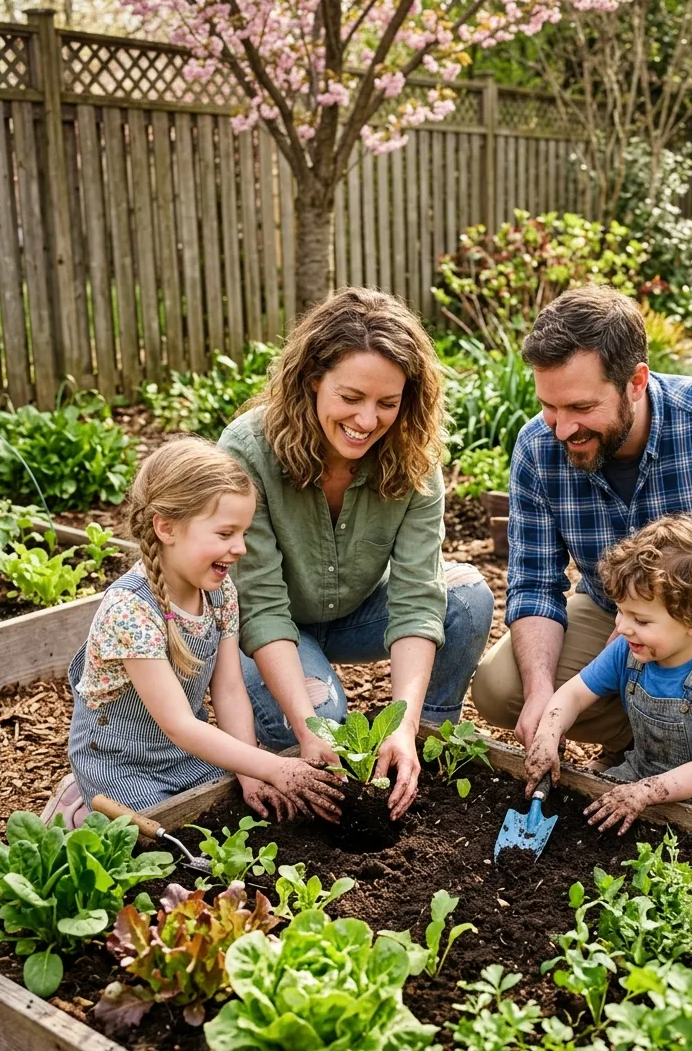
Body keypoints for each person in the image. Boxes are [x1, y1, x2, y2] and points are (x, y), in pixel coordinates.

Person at [471, 284, 692, 800]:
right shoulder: (538, 446)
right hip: (609, 615)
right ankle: (650, 747)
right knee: (499, 687)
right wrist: (541, 699)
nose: (561, 428)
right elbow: (534, 585)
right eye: (549, 406)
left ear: (636, 381)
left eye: (580, 406)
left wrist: (670, 616)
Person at [217, 287, 494, 821]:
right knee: (326, 722)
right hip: (272, 634)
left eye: (387, 403)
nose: (367, 421)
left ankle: (421, 753)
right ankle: (294, 750)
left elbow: (416, 596)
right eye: (350, 398)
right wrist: (307, 727)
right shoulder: (248, 450)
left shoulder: (413, 458)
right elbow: (262, 608)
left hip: (357, 613)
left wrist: (404, 725)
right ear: (313, 379)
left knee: (468, 598)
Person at [56, 438, 344, 822]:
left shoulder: (220, 592)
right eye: (225, 534)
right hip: (122, 763)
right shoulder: (131, 611)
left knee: (238, 814)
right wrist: (272, 767)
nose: (240, 547)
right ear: (166, 528)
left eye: (243, 532)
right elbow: (177, 724)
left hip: (187, 752)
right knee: (160, 841)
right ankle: (78, 805)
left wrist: (249, 770)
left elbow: (227, 691)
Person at [525, 515, 692, 835]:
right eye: (621, 611)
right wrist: (549, 732)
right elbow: (575, 693)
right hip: (642, 774)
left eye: (641, 619)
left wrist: (646, 792)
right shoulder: (629, 650)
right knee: (584, 817)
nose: (622, 627)